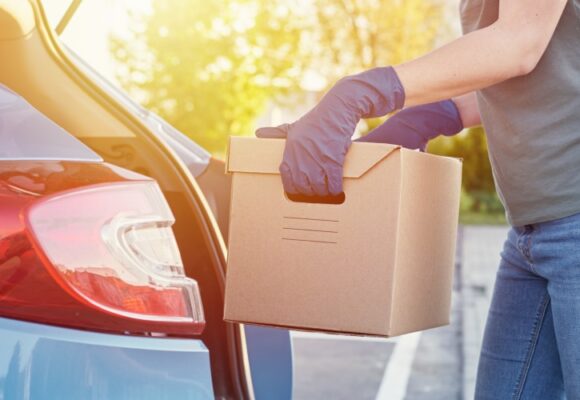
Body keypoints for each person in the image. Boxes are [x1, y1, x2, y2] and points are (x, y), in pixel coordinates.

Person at [256, 1, 580, 398]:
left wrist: (363, 91)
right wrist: (434, 115)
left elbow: (519, 44)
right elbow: (549, 67)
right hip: (532, 232)